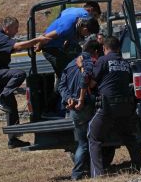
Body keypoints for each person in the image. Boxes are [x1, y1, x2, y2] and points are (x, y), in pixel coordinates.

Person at [87, 36, 141, 178]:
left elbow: (92, 84)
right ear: (119, 48)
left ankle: (98, 175)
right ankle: (140, 166)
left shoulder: (103, 60)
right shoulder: (125, 63)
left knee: (93, 136)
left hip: (108, 106)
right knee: (129, 136)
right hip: (126, 106)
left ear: (105, 48)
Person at [0, 16, 44, 149]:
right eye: (15, 28)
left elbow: (16, 48)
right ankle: (2, 99)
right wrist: (38, 39)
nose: (17, 30)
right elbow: (19, 45)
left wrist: (32, 44)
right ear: (7, 28)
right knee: (19, 74)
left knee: (11, 106)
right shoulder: (1, 37)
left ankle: (13, 140)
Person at [58, 40, 101, 180]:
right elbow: (85, 77)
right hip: (86, 105)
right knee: (88, 142)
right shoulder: (88, 62)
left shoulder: (70, 64)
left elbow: (61, 86)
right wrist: (81, 99)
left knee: (81, 142)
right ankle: (78, 173)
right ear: (95, 52)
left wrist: (68, 98)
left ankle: (82, 172)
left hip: (73, 107)